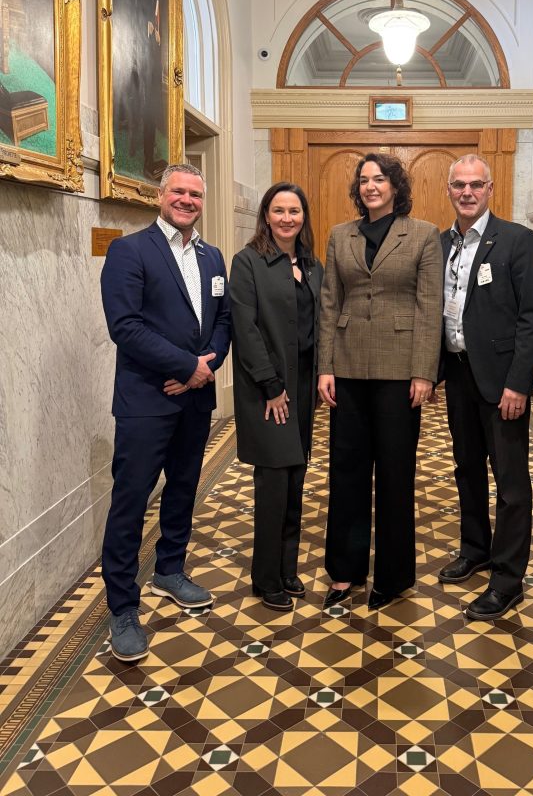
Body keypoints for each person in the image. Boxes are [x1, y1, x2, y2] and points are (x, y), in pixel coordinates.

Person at [100, 164, 231, 661]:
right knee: (131, 500)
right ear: (160, 196)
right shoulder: (129, 251)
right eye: (179, 191)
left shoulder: (212, 257)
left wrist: (206, 366)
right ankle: (122, 607)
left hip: (194, 399)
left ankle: (170, 569)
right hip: (146, 400)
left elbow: (223, 320)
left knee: (182, 488)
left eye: (195, 193)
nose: (187, 200)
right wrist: (186, 366)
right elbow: (125, 326)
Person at [317, 153, 442, 611]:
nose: (371, 186)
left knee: (395, 474)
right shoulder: (340, 235)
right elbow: (329, 302)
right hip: (347, 368)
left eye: (380, 179)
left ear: (395, 186)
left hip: (399, 370)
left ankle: (393, 576)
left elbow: (430, 307)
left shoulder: (424, 234)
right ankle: (344, 571)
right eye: (364, 180)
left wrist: (424, 371)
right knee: (346, 472)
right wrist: (325, 367)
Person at [437, 155, 533, 621]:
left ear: (490, 189)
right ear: (448, 190)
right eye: (459, 185)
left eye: (476, 185)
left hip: (503, 382)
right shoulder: (441, 243)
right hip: (458, 374)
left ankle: (507, 580)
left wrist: (518, 383)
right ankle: (475, 549)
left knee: (511, 483)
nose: (467, 192)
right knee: (466, 469)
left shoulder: (517, 240)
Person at [230, 183, 323, 612]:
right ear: (266, 215)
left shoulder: (313, 265)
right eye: (279, 210)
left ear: (304, 217)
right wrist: (271, 386)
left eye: (294, 211)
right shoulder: (248, 262)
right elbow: (245, 329)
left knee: (295, 480)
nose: (287, 218)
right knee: (273, 484)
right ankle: (266, 578)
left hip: (303, 389)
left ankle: (287, 569)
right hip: (268, 390)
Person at [138, 0, 165, 181]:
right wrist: (145, 24)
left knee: (153, 106)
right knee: (146, 105)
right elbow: (135, 7)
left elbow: (155, 14)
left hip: (153, 53)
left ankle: (150, 157)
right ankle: (146, 160)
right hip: (141, 53)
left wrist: (156, 31)